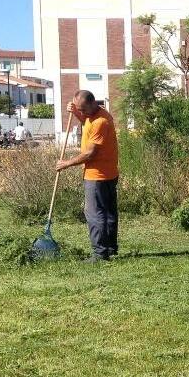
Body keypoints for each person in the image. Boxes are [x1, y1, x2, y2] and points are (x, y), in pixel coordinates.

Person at [56, 91, 120, 263]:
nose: (82, 113)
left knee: (94, 213)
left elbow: (90, 153)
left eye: (83, 109)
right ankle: (110, 248)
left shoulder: (101, 122)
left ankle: (100, 254)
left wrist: (66, 163)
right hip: (109, 172)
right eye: (79, 109)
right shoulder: (94, 116)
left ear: (93, 103)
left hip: (97, 175)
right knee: (108, 213)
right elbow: (87, 122)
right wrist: (76, 113)